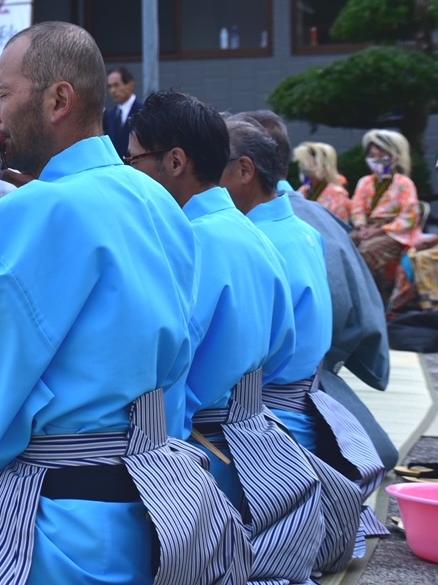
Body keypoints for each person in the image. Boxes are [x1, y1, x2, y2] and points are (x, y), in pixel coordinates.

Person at [0, 23, 247, 585]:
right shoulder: (154, 197)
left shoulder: (39, 208)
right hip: (167, 503)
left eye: (4, 93)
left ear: (58, 99)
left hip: (70, 518)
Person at [128, 92, 321, 583]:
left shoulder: (193, 239)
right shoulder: (252, 229)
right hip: (258, 442)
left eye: (132, 160)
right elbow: (285, 346)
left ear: (175, 162)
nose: (127, 174)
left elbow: (169, 377)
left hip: (204, 457)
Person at [222, 116, 384, 572]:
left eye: (214, 165)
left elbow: (230, 361)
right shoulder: (302, 230)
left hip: (266, 430)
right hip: (303, 412)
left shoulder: (252, 241)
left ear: (243, 170)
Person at [351, 129, 422, 300]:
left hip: (396, 233)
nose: (377, 160)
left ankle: (370, 297)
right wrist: (361, 226)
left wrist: (380, 230)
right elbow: (357, 209)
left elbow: (410, 216)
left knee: (367, 251)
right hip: (369, 227)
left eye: (381, 155)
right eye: (372, 156)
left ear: (394, 156)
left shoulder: (403, 183)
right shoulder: (364, 182)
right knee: (346, 243)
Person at [295, 141, 353, 222]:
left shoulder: (337, 195)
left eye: (305, 164)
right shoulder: (304, 190)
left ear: (320, 165)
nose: (302, 167)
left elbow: (339, 229)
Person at [103, 65, 143, 159]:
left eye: (116, 85)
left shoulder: (142, 112)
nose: (112, 90)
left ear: (130, 85)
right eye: (110, 86)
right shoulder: (111, 116)